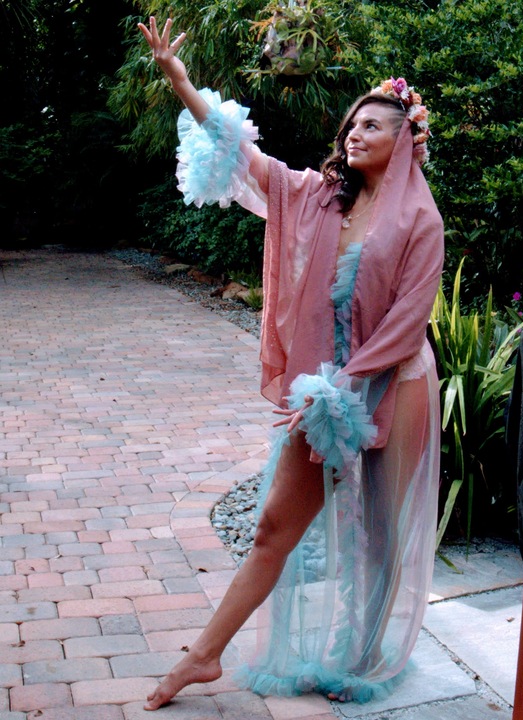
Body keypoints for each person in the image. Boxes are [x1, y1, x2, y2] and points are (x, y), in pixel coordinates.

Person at [138, 16, 444, 711]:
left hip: (395, 383)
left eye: (372, 125)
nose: (354, 133)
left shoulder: (420, 221)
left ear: (406, 140)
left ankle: (363, 658)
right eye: (352, 125)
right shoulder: (317, 197)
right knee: (275, 526)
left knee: (381, 533)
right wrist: (181, 81)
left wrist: (345, 386)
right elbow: (247, 157)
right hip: (322, 391)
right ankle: (203, 656)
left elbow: (407, 324)